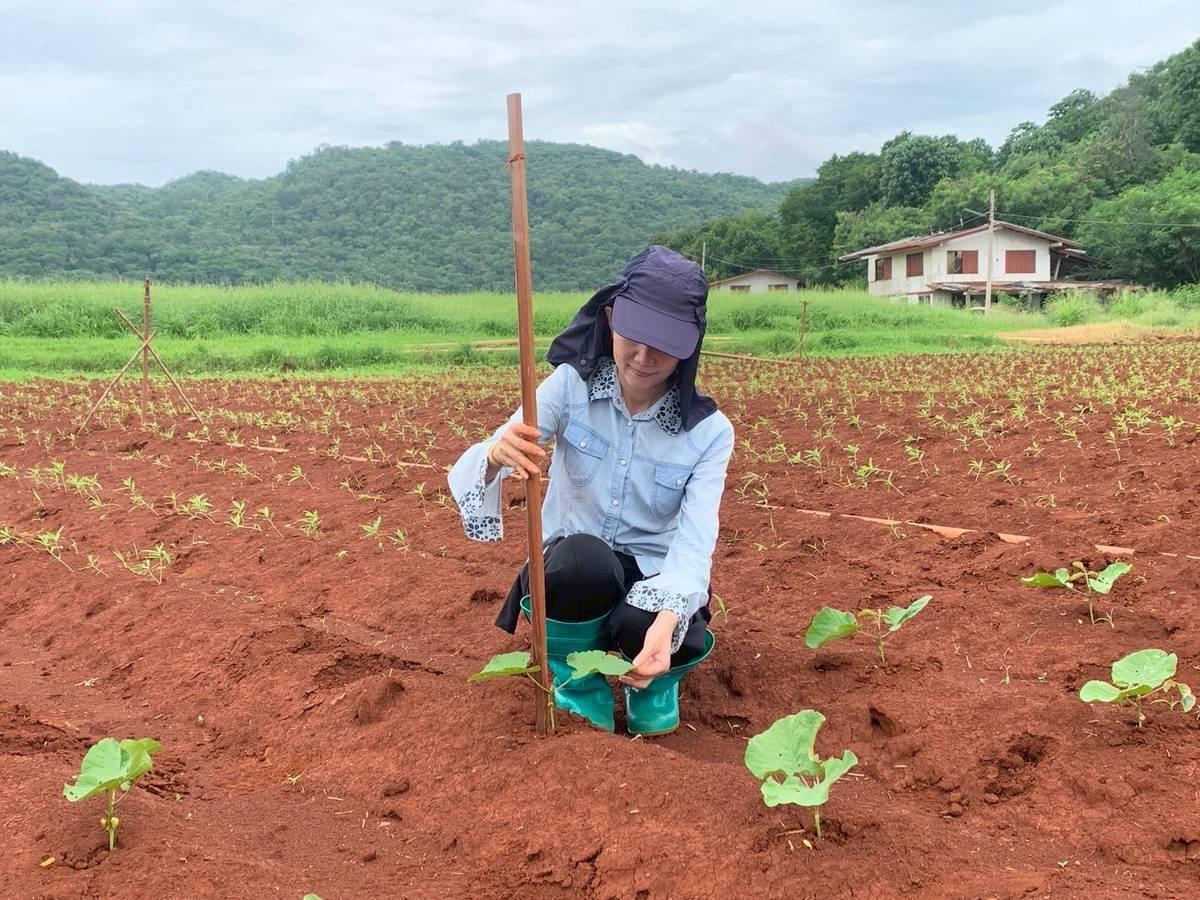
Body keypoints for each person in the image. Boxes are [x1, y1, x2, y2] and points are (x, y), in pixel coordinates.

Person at [448, 246, 734, 735]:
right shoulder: (567, 388)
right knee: (584, 561)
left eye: (662, 346)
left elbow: (694, 541)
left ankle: (657, 680)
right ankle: (579, 681)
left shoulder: (709, 433)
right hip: (576, 569)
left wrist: (668, 621)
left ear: (690, 346)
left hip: (652, 576)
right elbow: (494, 451)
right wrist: (497, 454)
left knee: (663, 613)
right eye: (632, 338)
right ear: (608, 318)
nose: (643, 359)